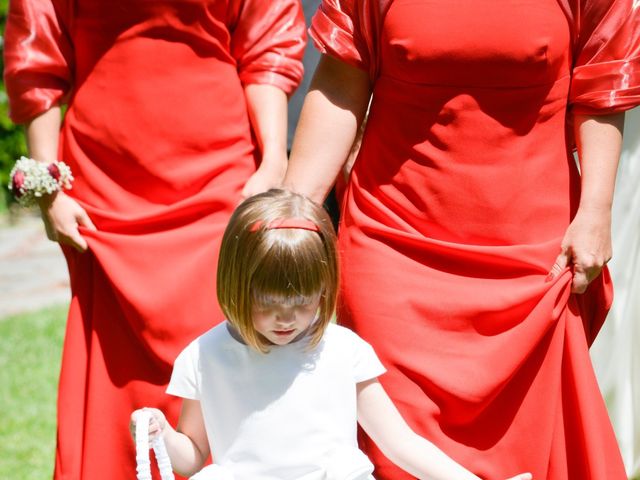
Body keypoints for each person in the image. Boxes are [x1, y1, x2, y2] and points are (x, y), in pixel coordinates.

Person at [283, 0, 640, 479]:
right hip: (393, 245)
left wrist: (596, 212)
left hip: (532, 258)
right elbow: (341, 82)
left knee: (526, 454)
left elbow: (601, 87)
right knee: (395, 447)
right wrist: (292, 211)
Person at [3, 1, 305, 478]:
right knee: (110, 366)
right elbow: (38, 51)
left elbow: (266, 37)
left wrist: (272, 159)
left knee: (222, 349)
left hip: (218, 177)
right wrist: (49, 187)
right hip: (106, 190)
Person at [130, 188, 533, 480]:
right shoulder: (206, 356)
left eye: (303, 303)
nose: (285, 319)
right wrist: (161, 433)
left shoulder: (341, 351)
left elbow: (399, 444)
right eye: (267, 304)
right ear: (234, 286)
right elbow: (192, 456)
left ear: (324, 288)